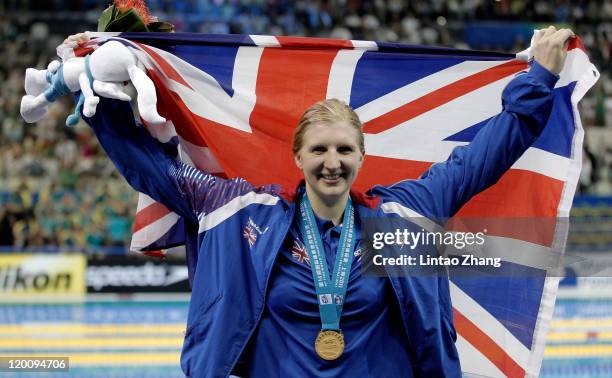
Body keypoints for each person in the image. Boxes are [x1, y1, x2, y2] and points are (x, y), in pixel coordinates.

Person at [62, 26, 573, 377]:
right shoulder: (243, 211)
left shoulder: (402, 212)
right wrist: (96, 91)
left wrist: (539, 82)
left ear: (362, 155)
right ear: (298, 155)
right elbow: (152, 170)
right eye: (320, 149)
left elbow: (484, 156)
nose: (333, 161)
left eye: (345, 149)